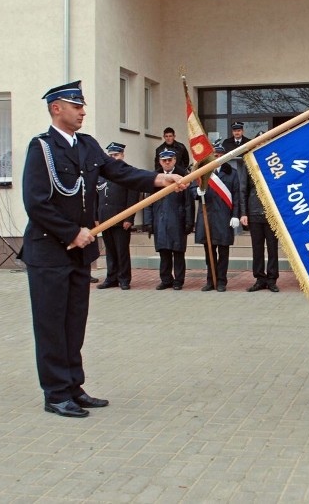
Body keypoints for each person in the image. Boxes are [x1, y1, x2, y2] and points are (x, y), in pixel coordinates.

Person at [20, 81, 185, 418]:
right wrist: (71, 232)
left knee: (74, 322)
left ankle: (73, 386)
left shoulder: (87, 145)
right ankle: (55, 393)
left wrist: (159, 180)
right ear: (56, 108)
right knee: (51, 323)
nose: (83, 111)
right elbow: (35, 203)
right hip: (49, 252)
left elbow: (119, 171)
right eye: (75, 105)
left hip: (79, 253)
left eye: (83, 105)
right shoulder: (42, 148)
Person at [192, 140, 241, 292]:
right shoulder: (203, 173)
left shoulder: (231, 173)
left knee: (223, 252)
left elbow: (237, 196)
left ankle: (221, 282)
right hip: (207, 217)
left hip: (224, 218)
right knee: (209, 253)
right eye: (215, 155)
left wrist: (235, 215)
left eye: (220, 155)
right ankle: (210, 280)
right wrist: (197, 192)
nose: (217, 157)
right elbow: (193, 188)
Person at [145, 149, 194, 291]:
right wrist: (148, 221)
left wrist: (189, 222)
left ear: (174, 160)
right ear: (160, 161)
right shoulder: (154, 177)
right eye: (164, 160)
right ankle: (166, 279)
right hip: (160, 220)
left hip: (177, 220)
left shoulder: (183, 176)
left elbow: (188, 203)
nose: (167, 162)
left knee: (178, 252)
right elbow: (148, 201)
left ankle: (178, 280)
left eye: (170, 160)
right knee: (164, 252)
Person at [95, 142, 140, 290]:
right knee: (110, 250)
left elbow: (133, 198)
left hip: (121, 219)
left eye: (116, 155)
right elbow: (96, 197)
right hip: (105, 218)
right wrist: (96, 217)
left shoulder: (127, 173)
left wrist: (129, 218)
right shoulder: (103, 173)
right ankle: (111, 277)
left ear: (122, 155)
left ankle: (124, 279)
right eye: (111, 155)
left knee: (122, 251)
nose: (113, 158)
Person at [242, 156, 280, 292]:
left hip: (271, 215)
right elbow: (244, 190)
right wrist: (243, 213)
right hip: (254, 213)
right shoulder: (249, 165)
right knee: (257, 249)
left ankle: (272, 279)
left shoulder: (274, 165)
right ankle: (259, 279)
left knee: (272, 249)